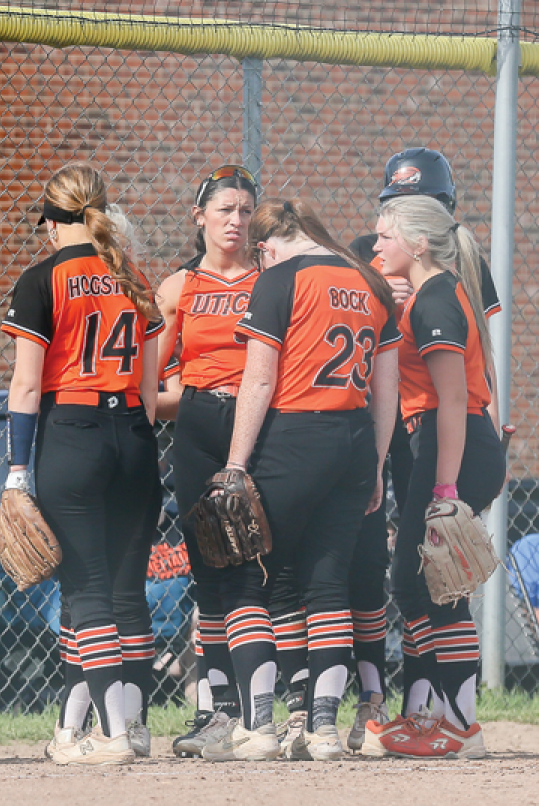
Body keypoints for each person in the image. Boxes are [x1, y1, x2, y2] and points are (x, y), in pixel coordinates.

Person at [202, 199, 399, 762]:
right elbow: (386, 391)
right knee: (326, 582)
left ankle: (260, 725)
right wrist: (378, 466)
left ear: (266, 246)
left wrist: (236, 466)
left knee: (244, 570)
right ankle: (321, 728)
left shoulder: (280, 279)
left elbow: (259, 383)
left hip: (294, 433)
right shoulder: (369, 280)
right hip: (355, 438)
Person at [2, 162, 164, 765]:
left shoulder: (44, 277)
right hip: (134, 434)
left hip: (73, 430)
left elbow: (24, 387)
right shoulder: (131, 274)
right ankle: (131, 726)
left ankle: (114, 735)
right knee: (128, 589)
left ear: (50, 222)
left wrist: (18, 470)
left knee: (87, 589)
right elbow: (150, 390)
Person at [346, 147, 502, 751]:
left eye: (387, 235)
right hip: (445, 443)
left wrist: (442, 492)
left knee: (419, 587)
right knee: (430, 583)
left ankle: (459, 727)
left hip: (449, 446)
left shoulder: (435, 297)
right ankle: (444, 721)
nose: (377, 243)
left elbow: (454, 402)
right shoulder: (433, 286)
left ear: (418, 242)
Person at [150, 165, 264, 757]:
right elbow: (150, 382)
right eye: (225, 210)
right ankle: (219, 710)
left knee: (261, 565)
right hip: (198, 423)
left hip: (259, 427)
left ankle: (269, 711)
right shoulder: (178, 288)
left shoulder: (269, 279)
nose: (236, 222)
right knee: (210, 570)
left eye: (246, 211)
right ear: (200, 217)